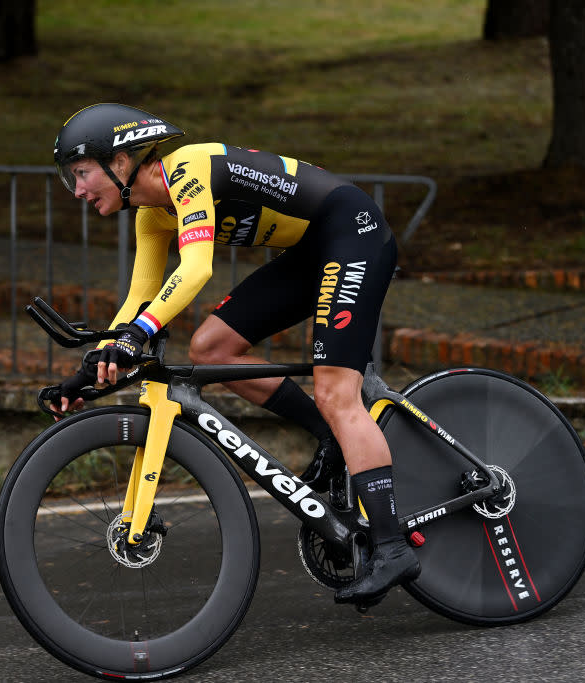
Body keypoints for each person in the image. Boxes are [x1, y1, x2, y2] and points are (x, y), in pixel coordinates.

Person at [50, 102, 419, 607]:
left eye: (82, 173)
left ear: (120, 162)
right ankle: (329, 437)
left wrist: (138, 333)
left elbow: (197, 268)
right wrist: (96, 363)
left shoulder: (188, 169)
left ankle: (393, 546)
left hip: (353, 234)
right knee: (211, 348)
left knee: (337, 391)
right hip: (312, 252)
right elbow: (139, 299)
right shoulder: (152, 214)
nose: (78, 190)